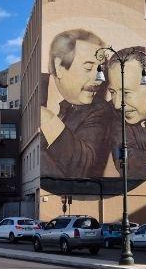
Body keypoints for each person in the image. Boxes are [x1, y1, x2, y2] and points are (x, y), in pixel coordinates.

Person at [40, 29, 114, 180]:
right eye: (88, 67)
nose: (99, 79)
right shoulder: (34, 89)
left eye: (101, 69)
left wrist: (47, 119)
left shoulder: (100, 110)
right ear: (59, 67)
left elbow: (84, 166)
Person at [104, 47, 146, 179]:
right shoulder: (112, 115)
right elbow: (130, 167)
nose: (117, 104)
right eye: (113, 92)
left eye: (126, 93)